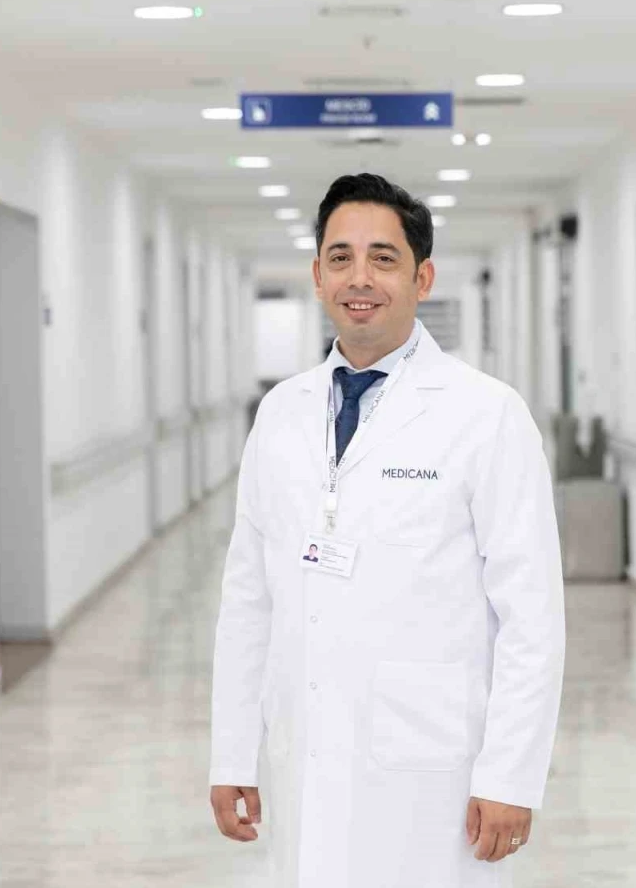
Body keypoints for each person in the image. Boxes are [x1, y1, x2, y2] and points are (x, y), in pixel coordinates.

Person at [209, 173, 566, 888]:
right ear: (317, 276)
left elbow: (531, 616)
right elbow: (249, 598)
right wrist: (232, 752)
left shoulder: (485, 415)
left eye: (383, 258)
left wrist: (510, 774)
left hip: (433, 766)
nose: (359, 278)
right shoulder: (281, 413)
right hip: (306, 754)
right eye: (340, 257)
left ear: (421, 277)